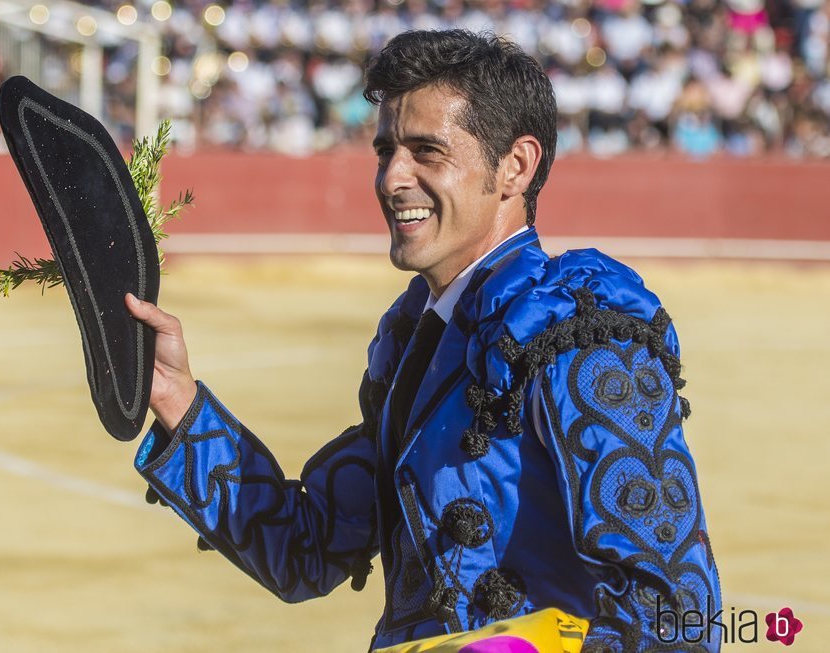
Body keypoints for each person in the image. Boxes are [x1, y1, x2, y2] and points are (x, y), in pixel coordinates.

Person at [125, 30, 722, 652]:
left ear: (515, 165)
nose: (391, 179)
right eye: (385, 151)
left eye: (427, 152)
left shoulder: (577, 335)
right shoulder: (418, 340)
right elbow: (305, 549)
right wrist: (176, 400)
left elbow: (680, 617)